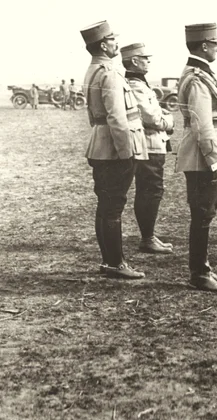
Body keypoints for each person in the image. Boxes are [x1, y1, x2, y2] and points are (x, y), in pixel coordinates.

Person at [176, 23, 217, 292]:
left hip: (205, 156)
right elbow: (202, 126)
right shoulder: (196, 79)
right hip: (203, 158)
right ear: (204, 45)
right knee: (202, 215)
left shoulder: (201, 75)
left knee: (205, 214)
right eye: (214, 43)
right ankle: (199, 275)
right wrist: (216, 162)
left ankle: (203, 270)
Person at [81, 20, 148, 279]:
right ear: (102, 44)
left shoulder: (94, 70)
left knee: (105, 205)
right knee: (113, 206)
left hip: (101, 144)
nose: (116, 43)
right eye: (112, 39)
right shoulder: (109, 72)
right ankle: (115, 263)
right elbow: (117, 117)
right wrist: (125, 152)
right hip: (115, 147)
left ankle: (110, 261)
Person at [121, 43, 175, 254]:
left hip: (152, 144)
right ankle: (147, 238)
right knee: (150, 190)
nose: (148, 61)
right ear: (134, 61)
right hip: (149, 145)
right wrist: (169, 121)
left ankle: (149, 236)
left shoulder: (139, 83)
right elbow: (152, 116)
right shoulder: (135, 85)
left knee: (152, 189)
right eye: (145, 58)